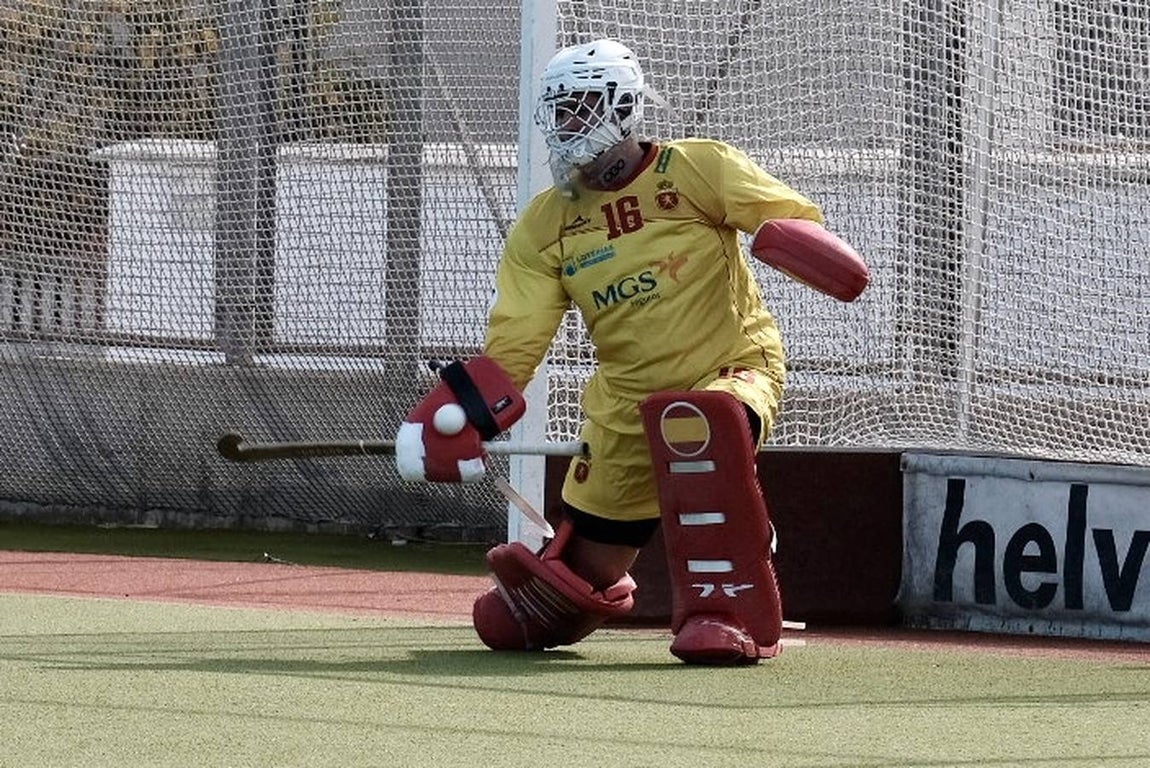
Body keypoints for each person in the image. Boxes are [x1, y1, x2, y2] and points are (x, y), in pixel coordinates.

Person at [395, 39, 868, 665]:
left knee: (697, 427)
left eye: (584, 107)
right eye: (560, 111)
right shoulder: (543, 226)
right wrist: (461, 414)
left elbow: (781, 214)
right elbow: (517, 338)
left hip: (730, 369)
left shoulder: (698, 167)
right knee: (567, 583)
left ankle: (725, 612)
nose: (569, 124)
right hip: (623, 405)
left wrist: (808, 246)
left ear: (623, 106)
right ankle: (571, 594)